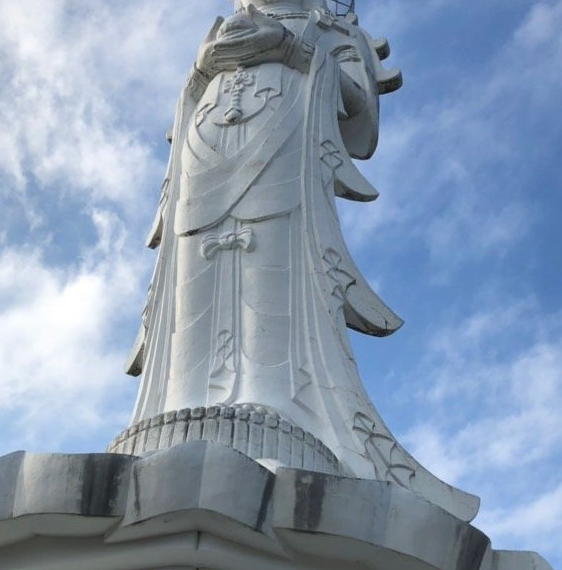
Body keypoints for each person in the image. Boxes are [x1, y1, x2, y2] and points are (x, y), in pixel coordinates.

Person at [116, 0, 478, 522]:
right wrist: (203, 67)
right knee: (196, 280)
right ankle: (181, 402)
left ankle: (277, 406)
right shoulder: (223, 28)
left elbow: (361, 120)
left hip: (282, 150)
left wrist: (294, 50)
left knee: (270, 271)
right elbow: (187, 109)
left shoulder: (330, 30)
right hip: (205, 160)